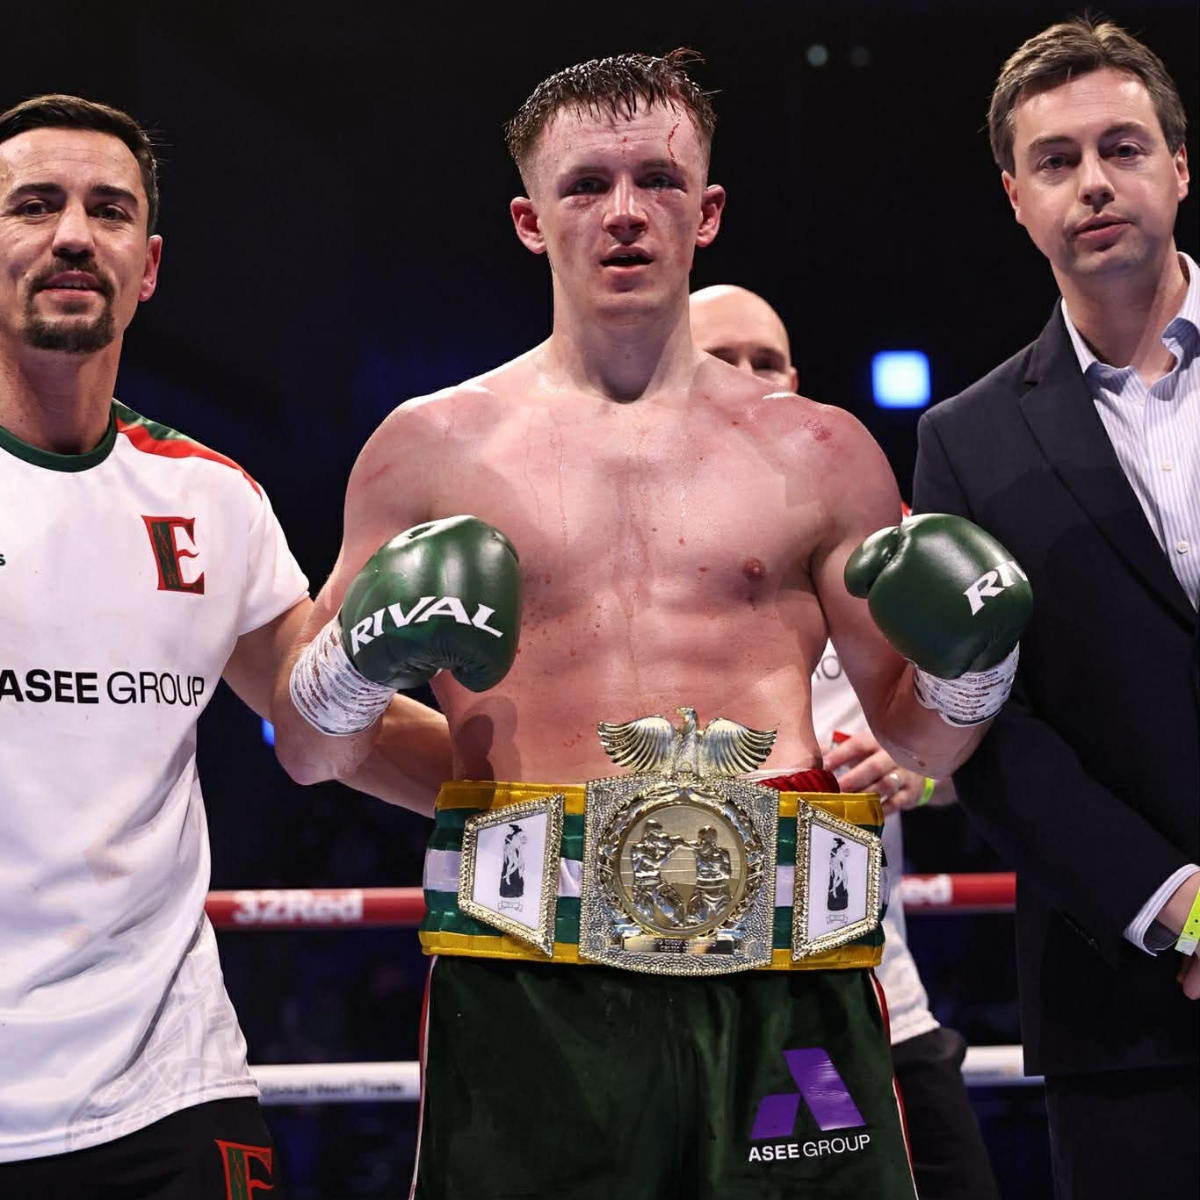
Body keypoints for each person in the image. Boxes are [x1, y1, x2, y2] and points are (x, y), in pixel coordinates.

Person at [274, 50, 1030, 1199]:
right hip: (526, 973)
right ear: (531, 220)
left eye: (658, 179)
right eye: (586, 185)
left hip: (785, 969)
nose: (624, 211)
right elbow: (312, 748)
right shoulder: (426, 450)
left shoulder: (822, 451)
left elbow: (916, 745)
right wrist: (352, 663)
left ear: (708, 209)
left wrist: (975, 671)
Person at [0, 93, 448, 1198]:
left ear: (146, 267)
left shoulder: (210, 501)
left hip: (167, 1086)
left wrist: (579, 796)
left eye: (107, 210)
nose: (71, 234)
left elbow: (324, 727)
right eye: (33, 205)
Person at [911, 17, 1199, 1198]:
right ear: (1016, 199)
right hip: (1124, 996)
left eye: (1123, 147)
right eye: (1057, 160)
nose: (1094, 182)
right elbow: (987, 722)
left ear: (1180, 166)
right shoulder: (965, 443)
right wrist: (1178, 907)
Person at [690, 282, 1001, 1200]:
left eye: (767, 360)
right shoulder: (624, 557)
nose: (750, 379)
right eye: (722, 359)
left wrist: (914, 773)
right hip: (686, 1009)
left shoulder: (882, 540)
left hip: (869, 995)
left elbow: (962, 750)